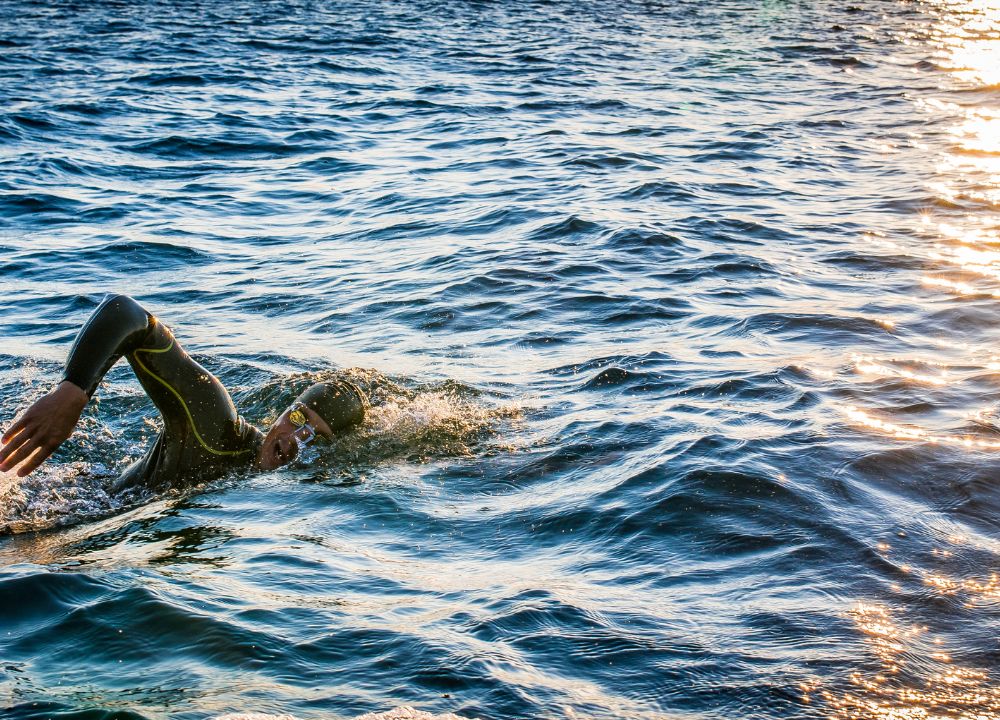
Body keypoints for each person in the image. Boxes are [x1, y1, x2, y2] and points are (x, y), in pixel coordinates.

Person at [0, 294, 366, 489]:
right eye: (298, 420)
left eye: (313, 437)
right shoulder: (218, 430)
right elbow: (127, 313)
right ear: (284, 413)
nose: (293, 441)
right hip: (69, 505)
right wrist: (74, 391)